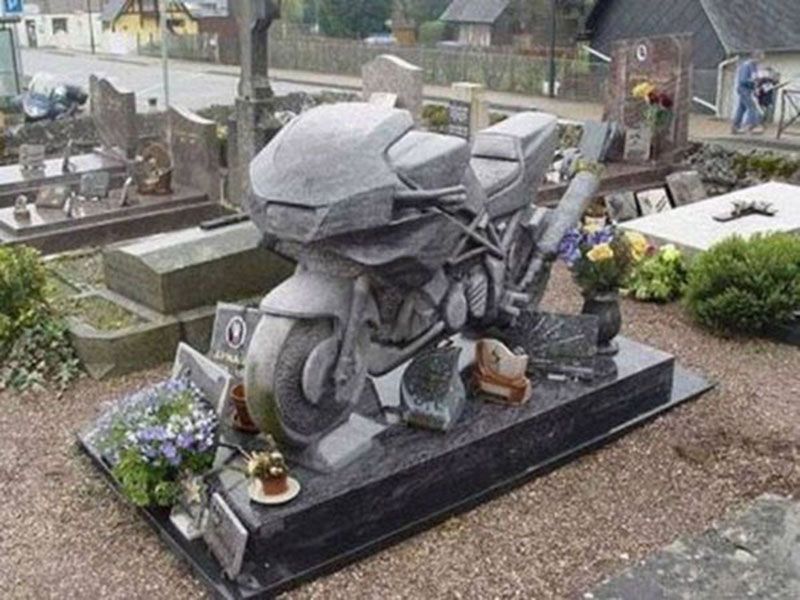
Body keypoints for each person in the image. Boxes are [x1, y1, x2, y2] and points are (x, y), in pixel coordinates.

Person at [732, 50, 766, 135]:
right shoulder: (746, 66)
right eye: (760, 59)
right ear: (755, 57)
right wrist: (753, 81)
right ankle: (749, 126)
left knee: (741, 108)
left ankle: (736, 126)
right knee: (752, 107)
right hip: (744, 89)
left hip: (749, 89)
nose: (761, 61)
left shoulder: (754, 67)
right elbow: (743, 80)